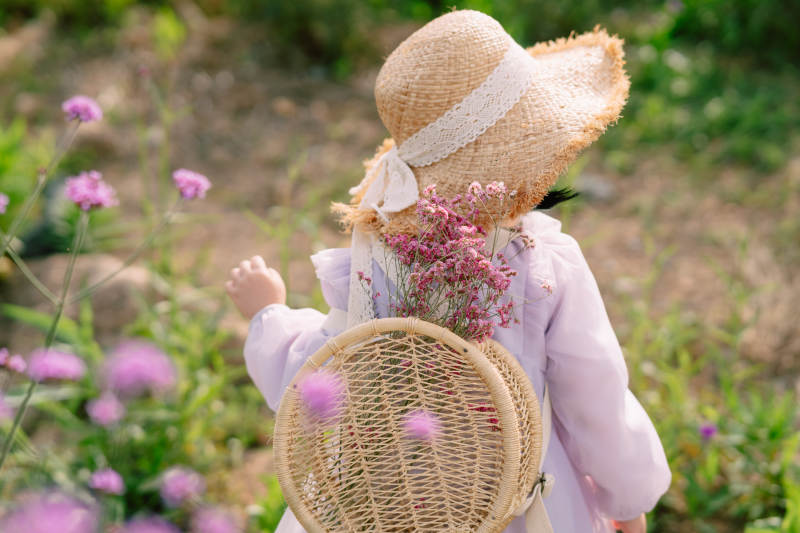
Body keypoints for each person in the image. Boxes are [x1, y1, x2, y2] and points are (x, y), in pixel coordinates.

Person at [226, 10, 670, 533]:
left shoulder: (381, 263)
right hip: (521, 506)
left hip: (399, 506)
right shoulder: (544, 265)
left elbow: (323, 381)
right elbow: (594, 395)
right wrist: (626, 498)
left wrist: (268, 315)